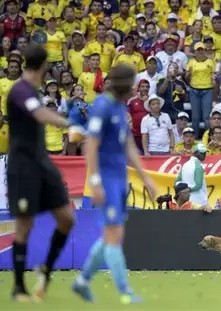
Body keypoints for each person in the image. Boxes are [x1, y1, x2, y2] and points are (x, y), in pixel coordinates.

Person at [72, 64, 157, 304]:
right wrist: (95, 181)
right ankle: (124, 289)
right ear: (121, 84)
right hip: (106, 180)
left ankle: (82, 281)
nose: (134, 87)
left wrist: (146, 178)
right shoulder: (102, 106)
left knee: (112, 233)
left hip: (119, 179)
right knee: (114, 234)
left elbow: (128, 145)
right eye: (131, 83)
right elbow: (91, 144)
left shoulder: (120, 108)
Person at [7, 43, 74, 301]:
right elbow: (40, 114)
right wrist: (67, 122)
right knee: (25, 224)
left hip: (42, 164)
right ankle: (19, 287)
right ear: (45, 66)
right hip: (22, 167)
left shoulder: (32, 91)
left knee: (67, 219)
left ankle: (45, 269)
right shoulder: (20, 91)